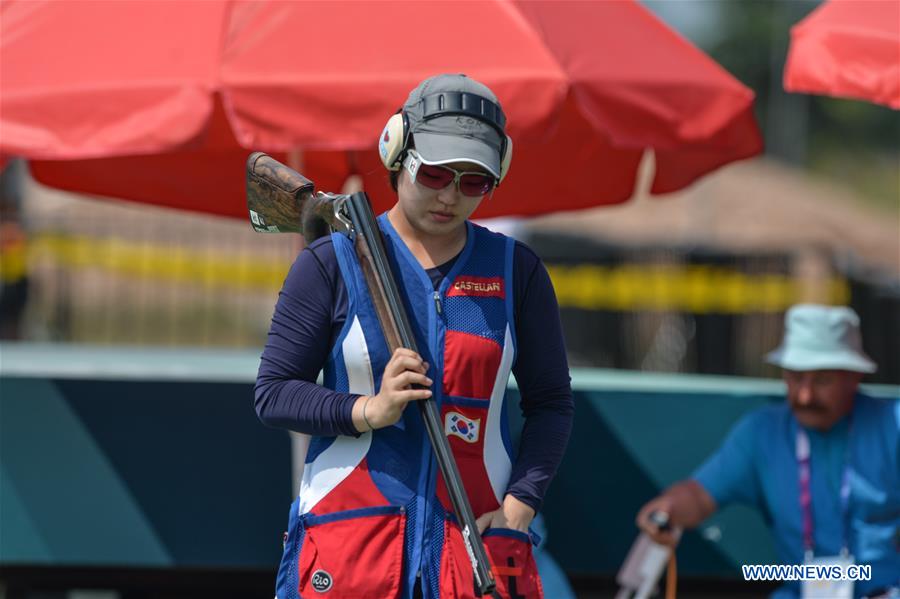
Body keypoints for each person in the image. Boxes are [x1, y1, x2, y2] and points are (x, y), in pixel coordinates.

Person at [255, 74, 574, 599]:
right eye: (434, 173)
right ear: (397, 152)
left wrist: (519, 506)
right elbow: (273, 394)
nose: (450, 195)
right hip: (350, 547)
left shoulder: (518, 271)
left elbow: (552, 405)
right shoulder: (329, 262)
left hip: (475, 553)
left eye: (473, 182)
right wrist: (368, 410)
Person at [636, 304, 900, 598]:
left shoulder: (893, 425)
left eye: (822, 379)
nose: (805, 395)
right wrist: (668, 508)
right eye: (795, 377)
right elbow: (699, 494)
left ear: (854, 376)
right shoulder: (762, 432)